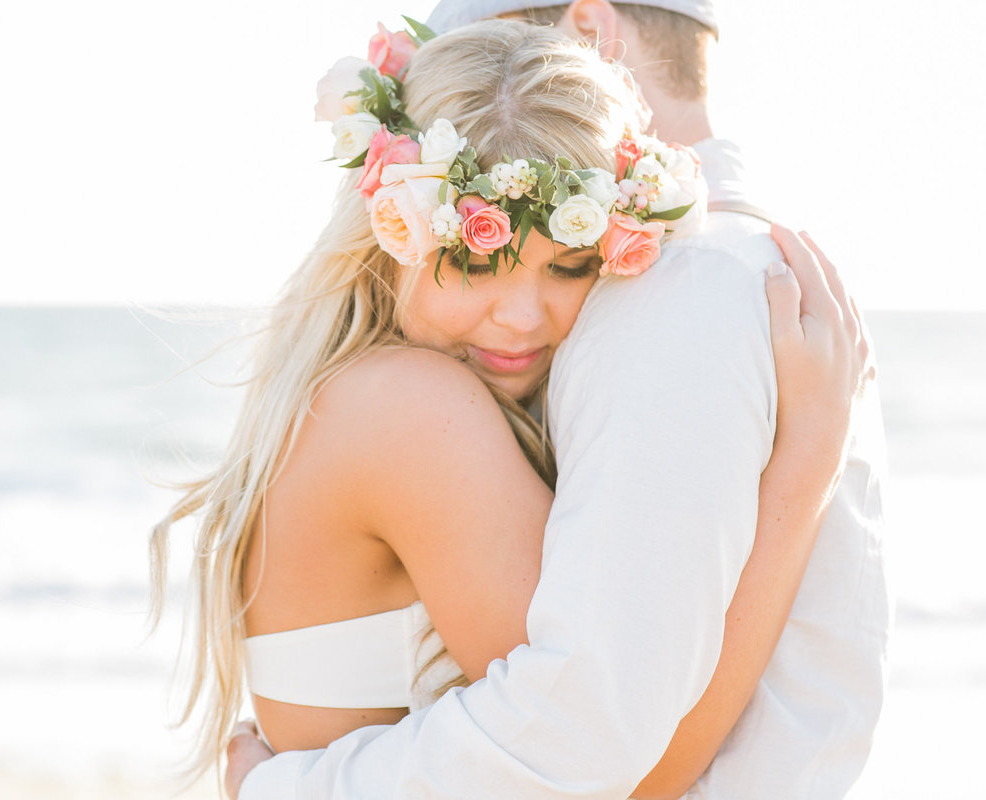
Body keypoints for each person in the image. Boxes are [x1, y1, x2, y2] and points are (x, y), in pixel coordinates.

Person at [223, 5, 889, 800]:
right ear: (395, 224)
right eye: (474, 260)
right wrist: (805, 466)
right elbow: (626, 760)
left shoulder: (397, 390)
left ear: (589, 36)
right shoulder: (413, 409)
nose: (523, 315)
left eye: (573, 266)